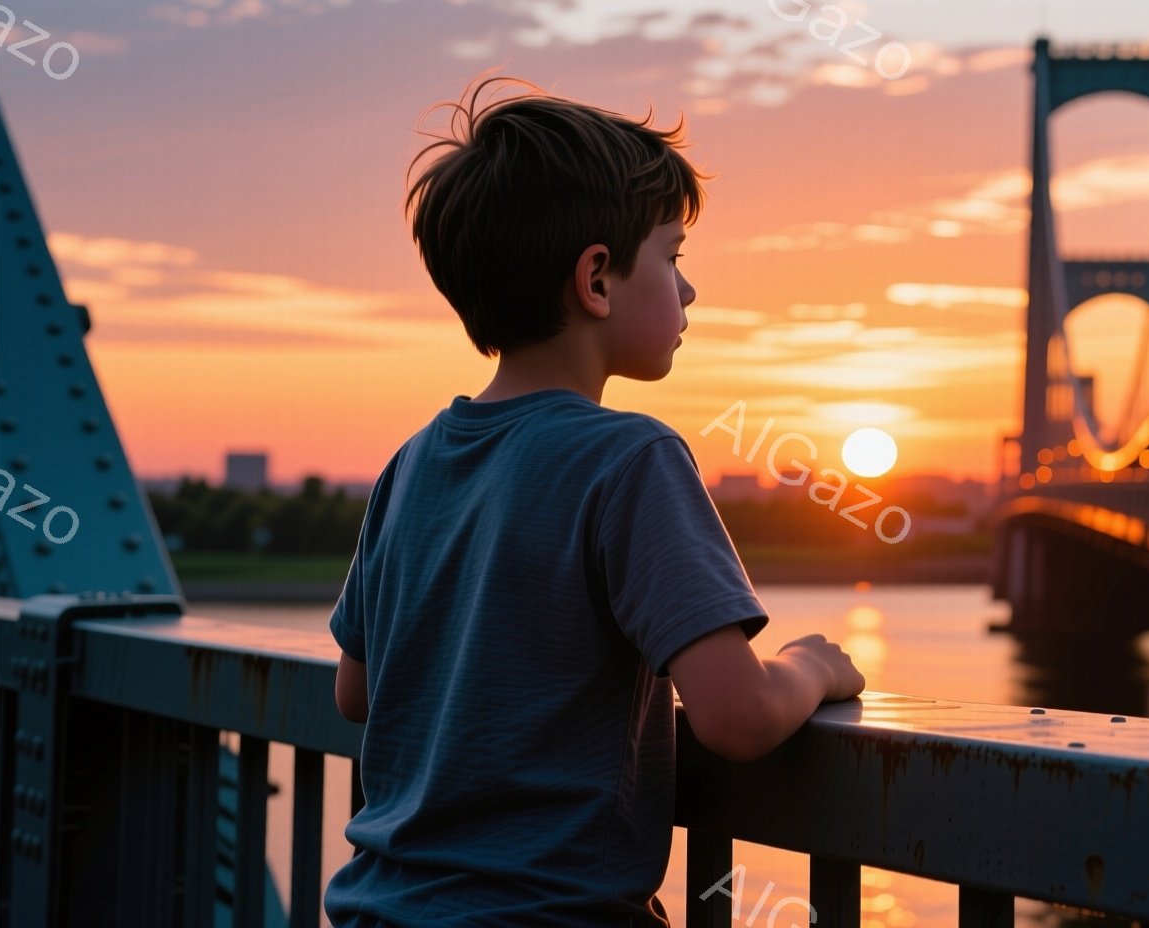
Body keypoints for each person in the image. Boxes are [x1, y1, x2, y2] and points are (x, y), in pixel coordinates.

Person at [323, 74, 866, 927]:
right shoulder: (630, 458)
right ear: (597, 281)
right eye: (673, 258)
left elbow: (357, 694)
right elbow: (737, 716)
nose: (689, 293)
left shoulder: (411, 463)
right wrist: (815, 666)